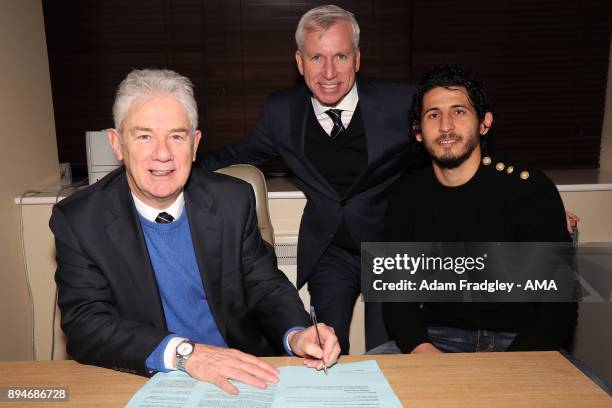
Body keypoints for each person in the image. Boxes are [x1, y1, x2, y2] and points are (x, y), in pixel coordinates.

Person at [50, 69, 340, 395]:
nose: (163, 154)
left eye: (176, 136)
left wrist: (297, 334)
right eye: (144, 136)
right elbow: (86, 325)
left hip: (241, 375)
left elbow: (265, 285)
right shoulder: (79, 220)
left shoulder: (232, 200)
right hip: (145, 379)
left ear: (195, 143)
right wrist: (185, 353)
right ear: (117, 144)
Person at [199, 4, 416, 354]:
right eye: (316, 58)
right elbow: (240, 154)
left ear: (357, 59)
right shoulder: (281, 111)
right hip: (329, 249)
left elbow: (443, 146)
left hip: (389, 247)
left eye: (340, 56)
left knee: (386, 353)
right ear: (300, 63)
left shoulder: (400, 103)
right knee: (324, 349)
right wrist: (178, 165)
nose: (328, 72)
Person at [381, 65, 578, 354]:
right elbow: (397, 300)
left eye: (459, 111)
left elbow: (558, 311)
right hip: (436, 338)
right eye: (433, 114)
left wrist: (504, 371)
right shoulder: (405, 195)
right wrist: (423, 352)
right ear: (418, 131)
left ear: (484, 122)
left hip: (520, 342)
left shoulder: (528, 189)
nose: (445, 125)